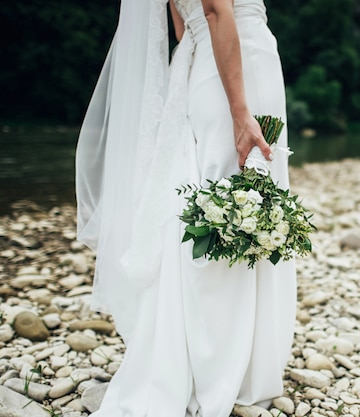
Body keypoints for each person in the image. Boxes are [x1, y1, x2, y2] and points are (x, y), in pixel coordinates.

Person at [75, 0, 297, 415]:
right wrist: (240, 111)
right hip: (240, 68)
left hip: (205, 65)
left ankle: (206, 360)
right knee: (240, 211)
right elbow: (215, 10)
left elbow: (183, 28)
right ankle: (231, 372)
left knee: (222, 213)